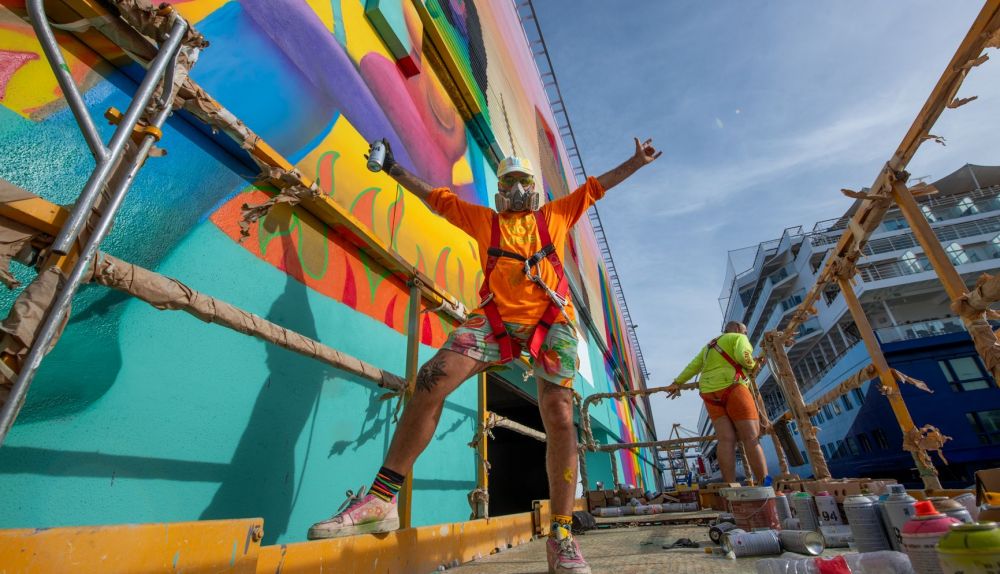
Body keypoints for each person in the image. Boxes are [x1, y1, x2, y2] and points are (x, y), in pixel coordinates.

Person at [307, 138, 661, 574]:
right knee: (432, 378)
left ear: (534, 188)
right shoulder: (484, 222)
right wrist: (394, 168)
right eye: (509, 182)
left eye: (523, 181)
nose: (517, 189)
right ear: (499, 191)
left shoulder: (555, 215)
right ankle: (381, 500)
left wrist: (635, 162)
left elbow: (596, 187)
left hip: (552, 320)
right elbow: (436, 199)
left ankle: (562, 535)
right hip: (496, 320)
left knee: (559, 412)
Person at [668, 321, 769, 485]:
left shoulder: (709, 346)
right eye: (745, 331)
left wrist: (677, 382)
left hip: (709, 392)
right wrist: (753, 365)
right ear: (737, 329)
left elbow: (694, 366)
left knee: (725, 439)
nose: (746, 334)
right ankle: (765, 484)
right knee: (751, 437)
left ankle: (731, 485)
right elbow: (743, 356)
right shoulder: (738, 337)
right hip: (733, 386)